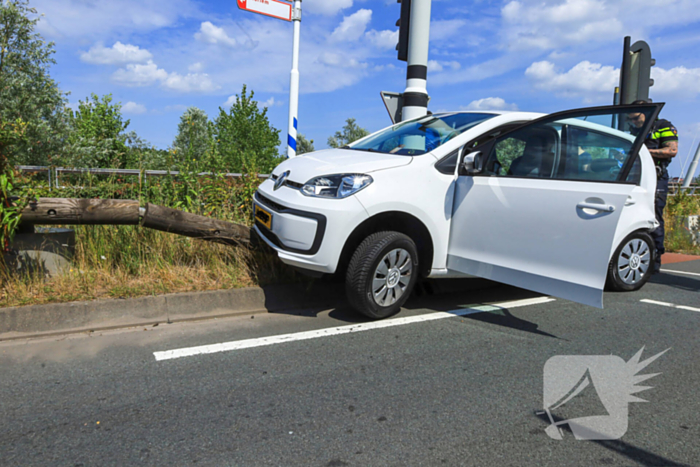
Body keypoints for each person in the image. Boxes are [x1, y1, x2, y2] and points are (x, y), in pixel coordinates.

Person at [628, 100, 679, 273]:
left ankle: (655, 257)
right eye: (631, 120)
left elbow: (671, 150)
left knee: (654, 215)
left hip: (655, 177)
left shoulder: (663, 126)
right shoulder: (634, 129)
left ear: (646, 114)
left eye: (635, 118)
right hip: (634, 176)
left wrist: (642, 152)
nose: (633, 123)